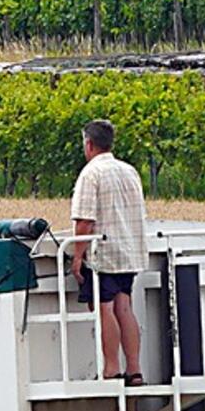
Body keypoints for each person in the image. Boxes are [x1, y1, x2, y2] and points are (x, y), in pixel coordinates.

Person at [70, 118, 147, 385]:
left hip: (103, 252)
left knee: (105, 307)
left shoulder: (91, 174)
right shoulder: (130, 171)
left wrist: (77, 256)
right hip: (130, 251)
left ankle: (112, 369)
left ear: (89, 144)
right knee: (124, 306)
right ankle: (134, 370)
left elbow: (85, 221)